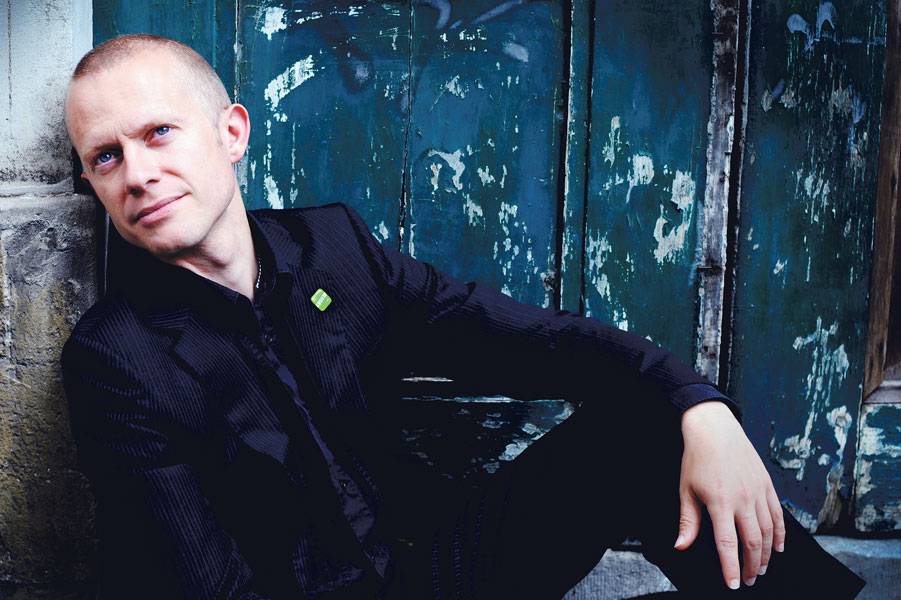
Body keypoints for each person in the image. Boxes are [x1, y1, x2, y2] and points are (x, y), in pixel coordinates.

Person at [60, 33, 865, 599]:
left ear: (231, 132)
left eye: (159, 133)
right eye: (107, 155)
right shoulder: (117, 359)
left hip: (438, 573)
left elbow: (539, 344)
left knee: (647, 424)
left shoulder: (332, 247)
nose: (138, 173)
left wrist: (700, 406)